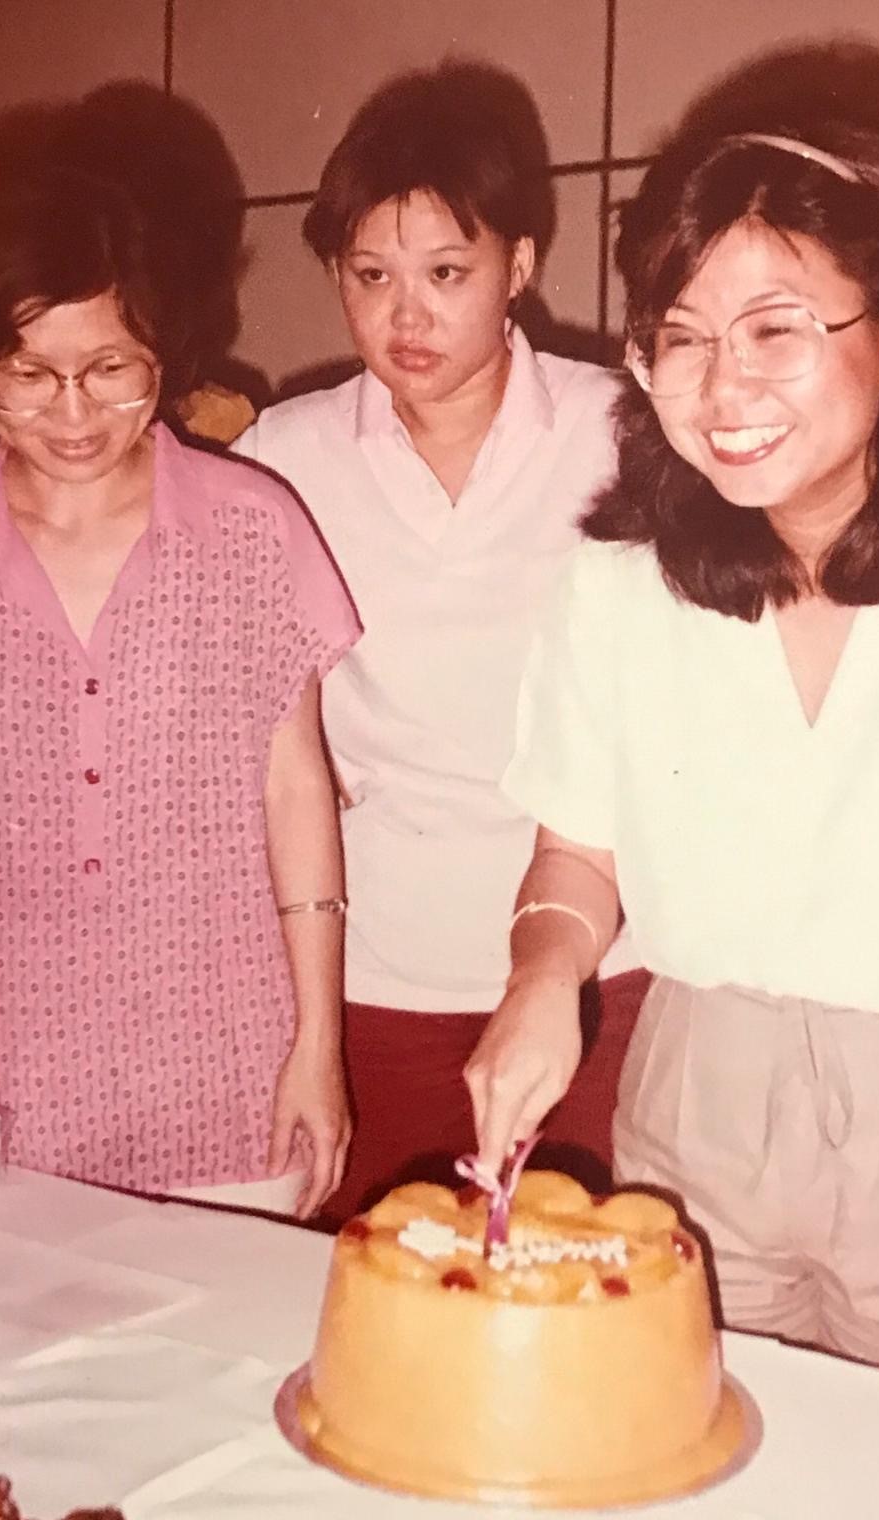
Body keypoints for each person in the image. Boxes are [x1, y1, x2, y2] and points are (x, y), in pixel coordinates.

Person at [465, 121, 879, 1390]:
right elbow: (574, 848)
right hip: (698, 1104)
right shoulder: (619, 586)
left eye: (776, 329)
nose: (724, 389)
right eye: (682, 336)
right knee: (698, 1473)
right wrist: (542, 975)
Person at [0, 151, 360, 1216]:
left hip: (224, 1063)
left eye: (112, 367)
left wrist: (319, 1046)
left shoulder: (253, 526)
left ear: (166, 352)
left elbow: (298, 791)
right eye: (26, 372)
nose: (71, 411)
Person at [235, 61, 646, 1219]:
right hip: (380, 972)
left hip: (595, 970)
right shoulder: (285, 454)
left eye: (447, 272)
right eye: (371, 275)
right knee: (384, 1298)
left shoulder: (624, 430)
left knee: (584, 1300)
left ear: (519, 265)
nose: (406, 314)